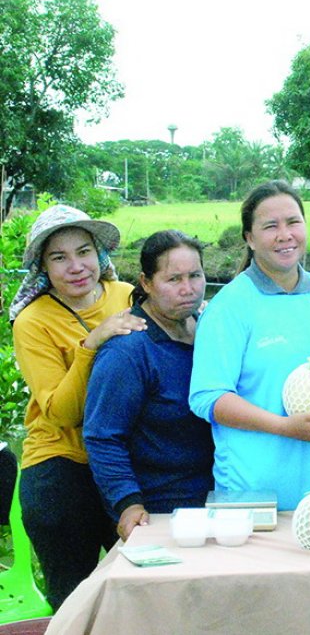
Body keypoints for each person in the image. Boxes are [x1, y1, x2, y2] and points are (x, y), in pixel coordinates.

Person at [10, 204, 147, 609]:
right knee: (75, 601)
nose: (75, 266)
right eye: (59, 257)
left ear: (99, 255)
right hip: (62, 467)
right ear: (43, 269)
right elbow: (62, 411)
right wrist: (92, 343)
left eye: (83, 251)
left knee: (146, 586)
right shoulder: (33, 321)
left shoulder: (129, 297)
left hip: (123, 462)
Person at [188, 181, 310, 511]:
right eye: (270, 226)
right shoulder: (230, 307)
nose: (285, 235)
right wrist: (284, 427)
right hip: (255, 495)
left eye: (293, 222)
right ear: (249, 238)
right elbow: (208, 397)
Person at [84, 230, 214, 540]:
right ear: (146, 283)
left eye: (195, 276)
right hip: (160, 509)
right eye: (174, 280)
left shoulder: (212, 331)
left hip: (219, 495)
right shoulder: (128, 351)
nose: (188, 289)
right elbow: (102, 436)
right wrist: (128, 503)